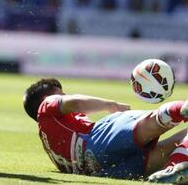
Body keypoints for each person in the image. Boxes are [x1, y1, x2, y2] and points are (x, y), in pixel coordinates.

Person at [23, 78, 188, 183]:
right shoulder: (46, 106)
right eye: (62, 93)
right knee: (152, 122)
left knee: (169, 148)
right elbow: (74, 103)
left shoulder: (49, 145)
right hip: (94, 141)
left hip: (102, 170)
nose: (65, 95)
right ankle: (182, 107)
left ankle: (174, 169)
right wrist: (111, 105)